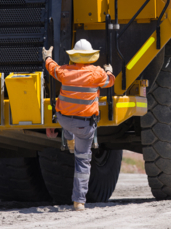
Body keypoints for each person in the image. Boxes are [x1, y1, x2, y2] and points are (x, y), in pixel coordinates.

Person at [42, 39, 115, 211]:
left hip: (64, 120)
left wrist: (47, 57)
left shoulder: (65, 71)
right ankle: (79, 202)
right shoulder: (96, 73)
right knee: (82, 161)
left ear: (74, 57)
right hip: (84, 126)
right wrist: (109, 71)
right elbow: (110, 82)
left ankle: (69, 141)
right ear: (90, 57)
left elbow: (52, 68)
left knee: (67, 124)